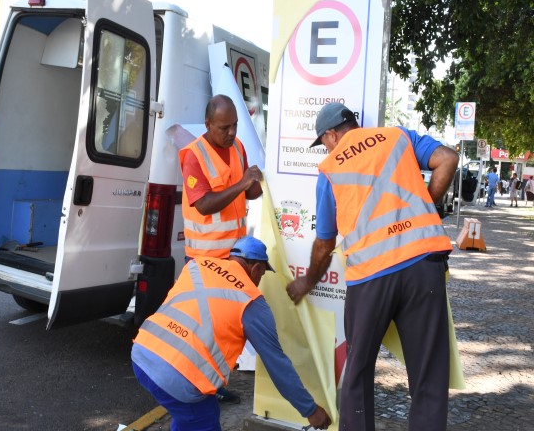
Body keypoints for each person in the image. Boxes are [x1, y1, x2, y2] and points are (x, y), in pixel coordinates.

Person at [286, 103, 459, 431]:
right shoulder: (397, 136)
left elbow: (325, 242)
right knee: (428, 377)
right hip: (423, 266)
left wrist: (307, 281)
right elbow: (448, 159)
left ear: (332, 134)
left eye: (323, 142)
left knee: (358, 373)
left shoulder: (331, 167)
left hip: (371, 278)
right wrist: (427, 209)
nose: (325, 148)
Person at [131, 236, 332, 431]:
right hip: (178, 379)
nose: (259, 281)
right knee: (202, 419)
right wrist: (310, 409)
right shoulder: (252, 303)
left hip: (142, 354)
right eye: (261, 276)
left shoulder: (196, 265)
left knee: (186, 415)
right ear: (257, 269)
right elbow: (278, 366)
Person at [179, 94, 263, 404]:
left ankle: (214, 385)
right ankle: (194, 387)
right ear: (208, 124)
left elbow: (247, 193)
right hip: (204, 260)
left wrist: (255, 183)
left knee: (223, 330)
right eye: (224, 128)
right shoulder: (193, 155)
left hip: (234, 259)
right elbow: (203, 205)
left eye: (235, 126)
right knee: (201, 329)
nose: (231, 133)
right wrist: (242, 184)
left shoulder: (237, 148)